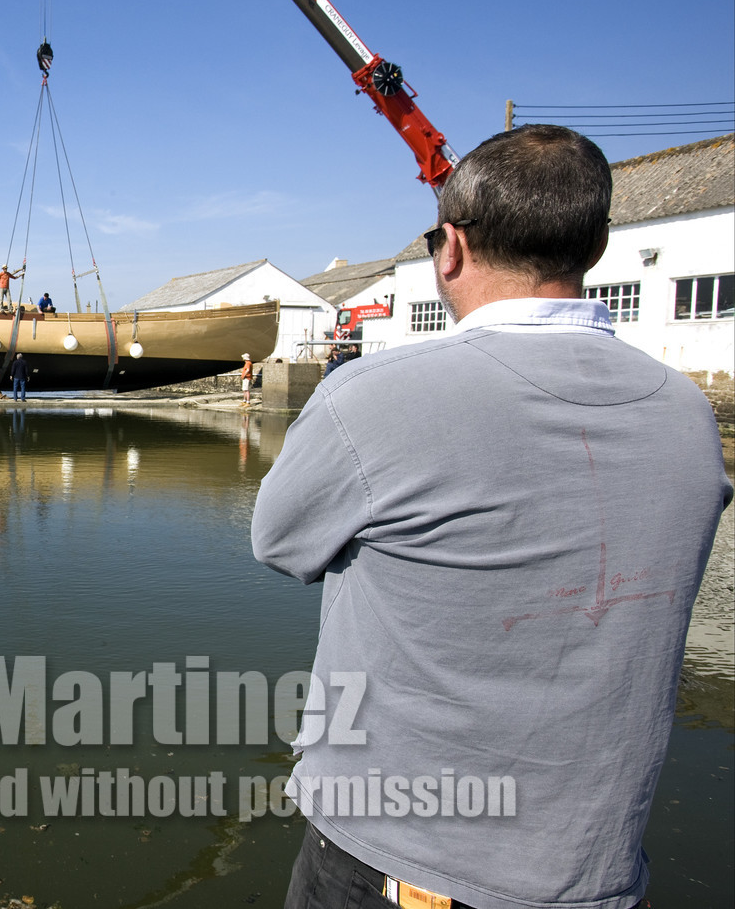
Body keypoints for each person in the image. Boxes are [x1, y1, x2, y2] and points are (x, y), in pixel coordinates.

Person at [252, 126, 732, 909]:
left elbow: (279, 540)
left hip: (400, 866)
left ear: (451, 248)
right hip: (595, 875)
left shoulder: (373, 397)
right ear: (597, 246)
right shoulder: (686, 416)